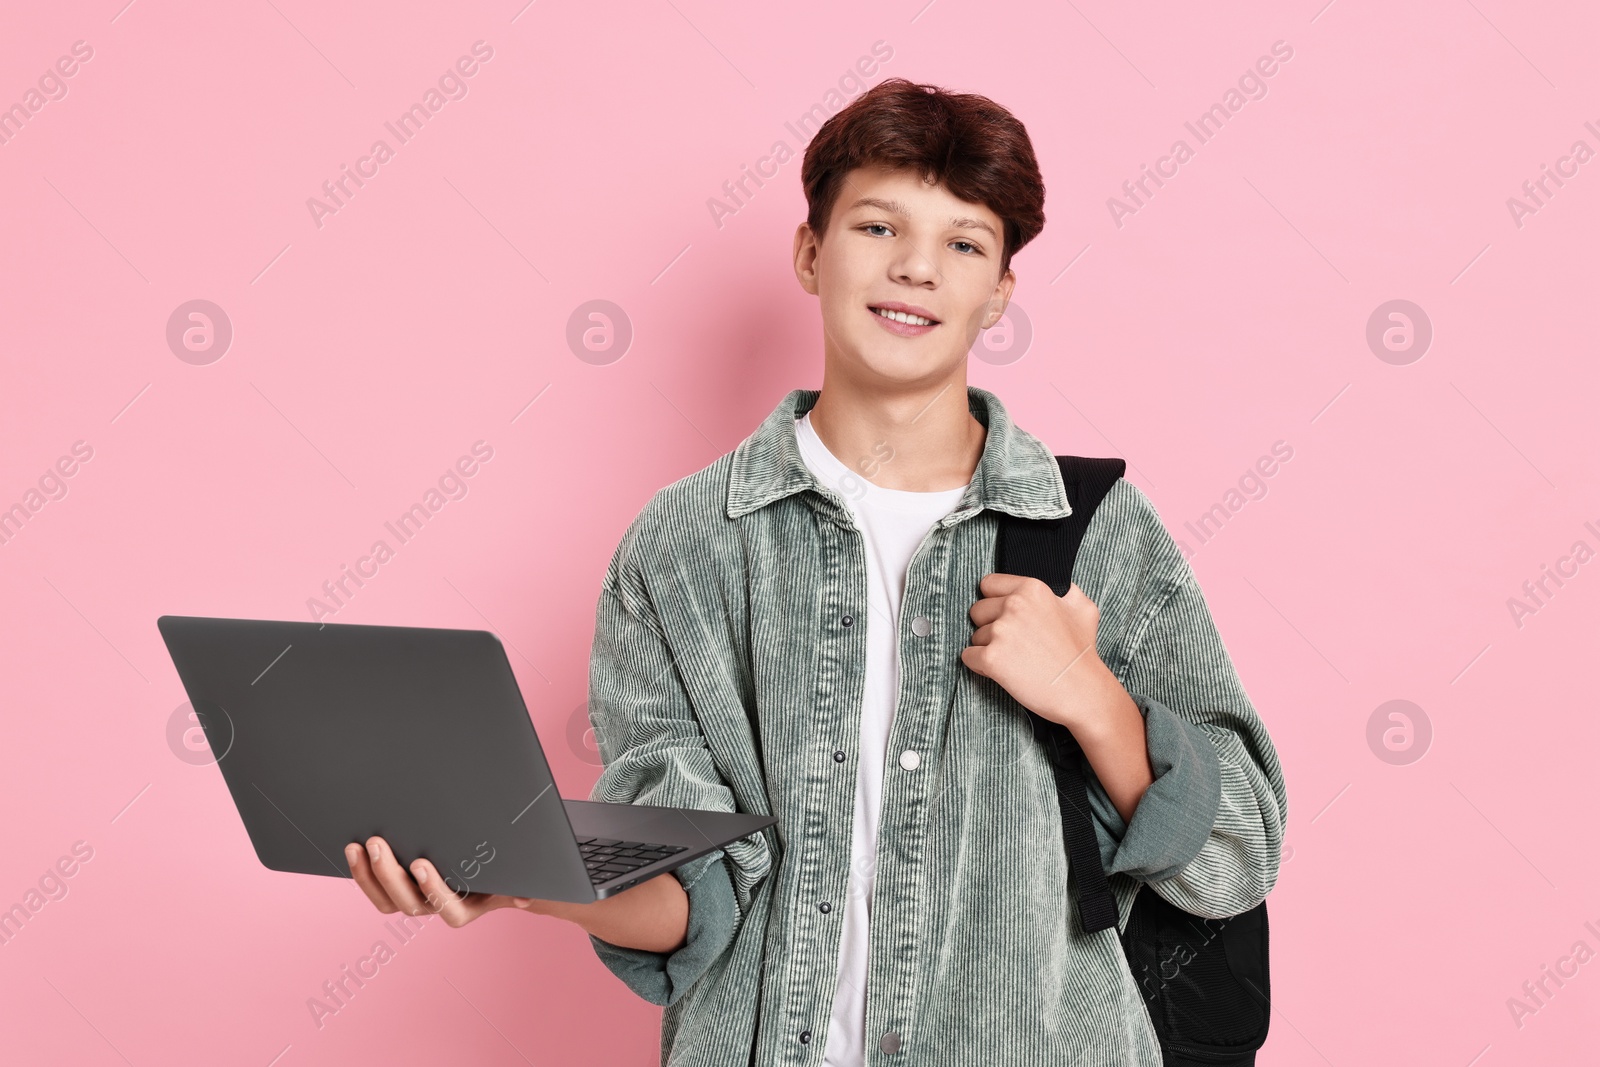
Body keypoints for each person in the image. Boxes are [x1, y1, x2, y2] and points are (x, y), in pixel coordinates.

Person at [346, 76, 1287, 1066]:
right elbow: (694, 883)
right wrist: (523, 875)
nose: (917, 268)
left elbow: (1237, 849)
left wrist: (1091, 697)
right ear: (810, 253)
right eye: (878, 227)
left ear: (999, 290)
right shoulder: (683, 544)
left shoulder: (1091, 531)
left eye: (963, 243)